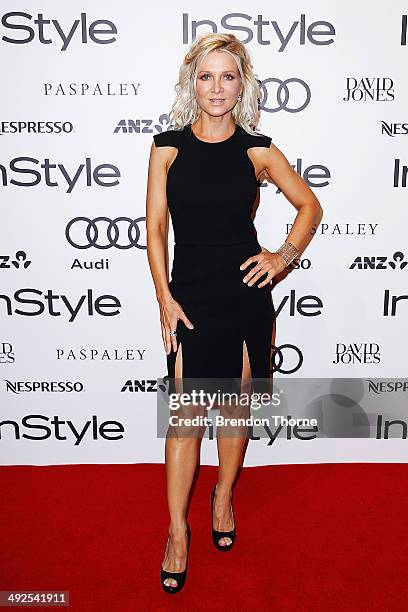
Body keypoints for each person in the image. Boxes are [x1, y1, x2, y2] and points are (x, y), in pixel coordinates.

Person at [146, 32, 323, 594]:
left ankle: (223, 496)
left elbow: (310, 206)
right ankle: (178, 532)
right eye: (206, 76)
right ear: (191, 82)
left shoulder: (258, 150)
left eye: (227, 76)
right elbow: (154, 228)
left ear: (242, 83)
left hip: (244, 294)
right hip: (190, 294)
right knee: (184, 421)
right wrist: (164, 297)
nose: (216, 87)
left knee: (233, 410)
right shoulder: (166, 147)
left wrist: (283, 256)